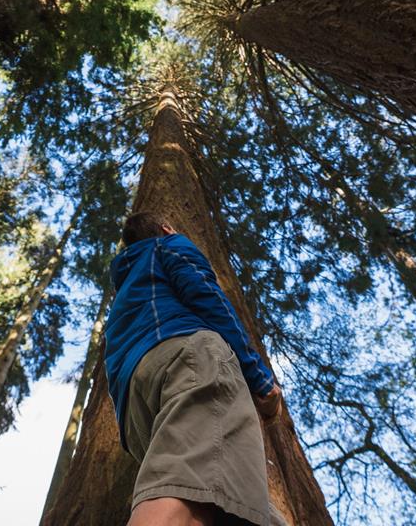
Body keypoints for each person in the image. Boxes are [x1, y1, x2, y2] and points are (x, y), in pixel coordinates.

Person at [104, 211, 285, 526]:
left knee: (248, 511)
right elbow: (206, 295)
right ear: (166, 228)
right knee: (185, 497)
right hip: (187, 359)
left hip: (134, 409)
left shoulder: (125, 288)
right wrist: (260, 380)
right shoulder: (168, 245)